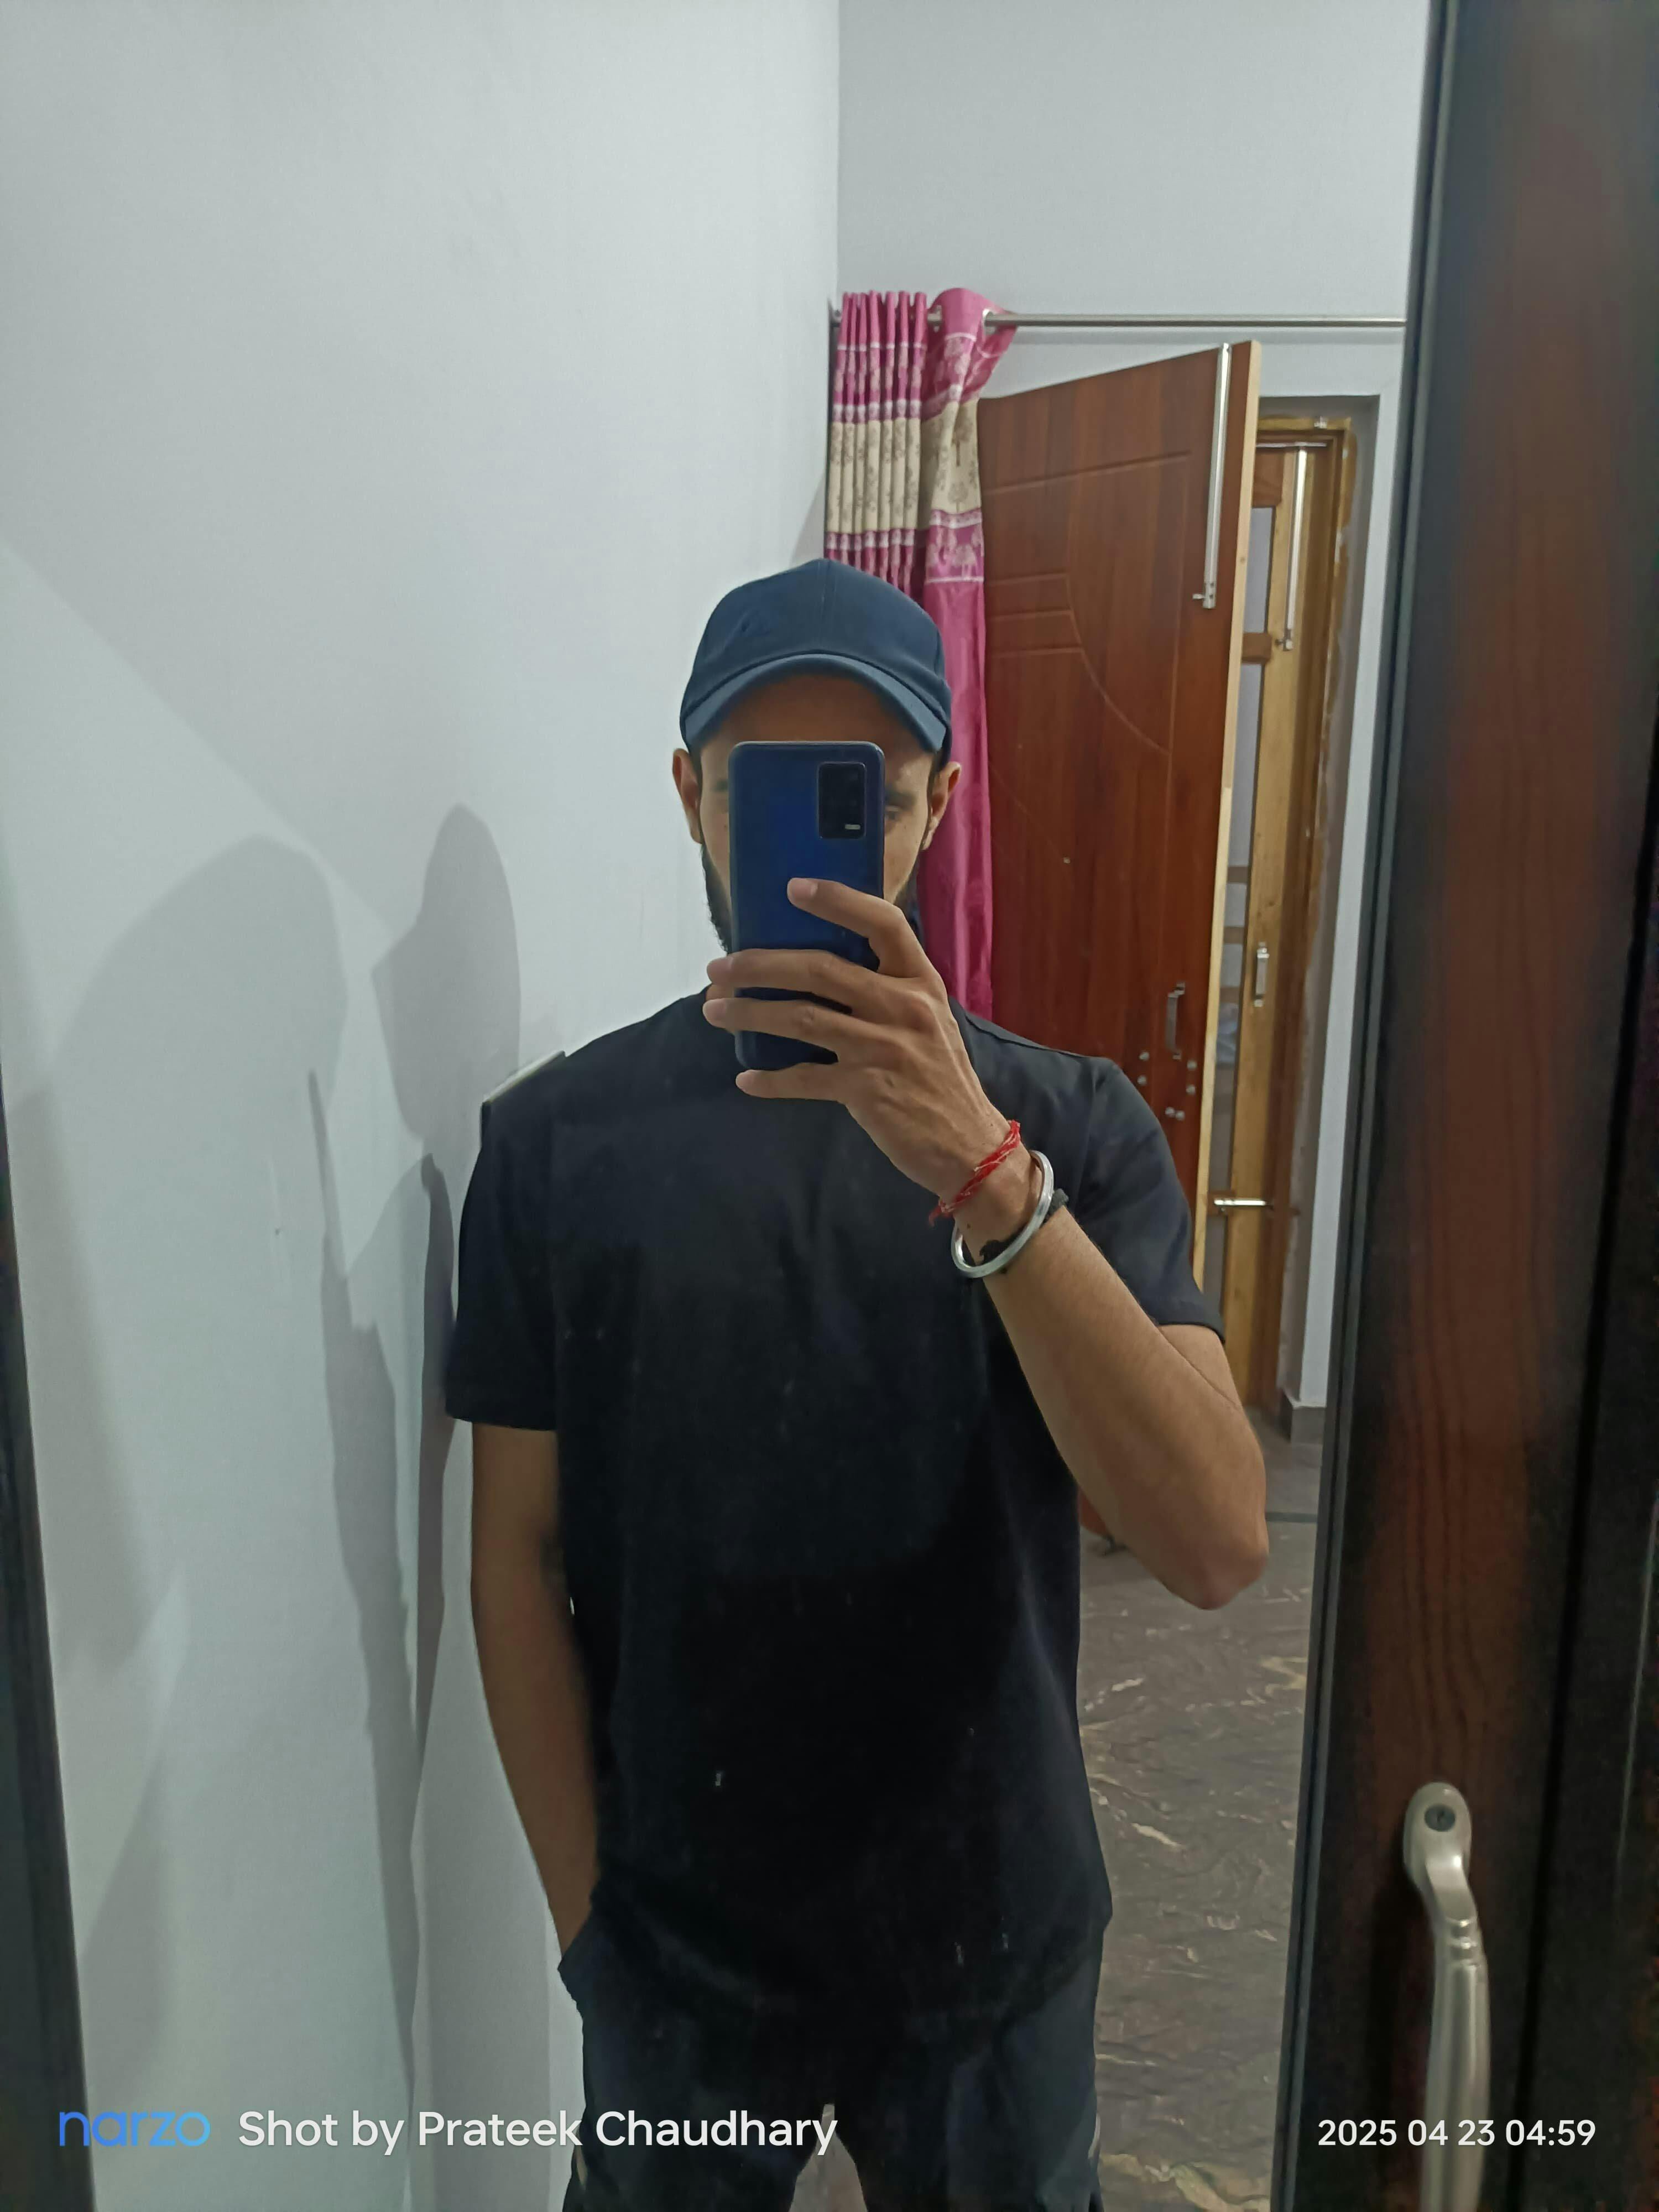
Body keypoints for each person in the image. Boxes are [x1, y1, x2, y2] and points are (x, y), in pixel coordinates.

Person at [447, 559, 1268, 2211]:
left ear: (940, 808)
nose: (822, 859)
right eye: (765, 795)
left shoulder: (1073, 1129)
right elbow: (514, 1561)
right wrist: (589, 1930)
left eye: (870, 800)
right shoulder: (554, 1149)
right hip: (679, 1952)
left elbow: (1213, 1539)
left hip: (992, 1935)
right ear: (690, 797)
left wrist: (983, 1173)